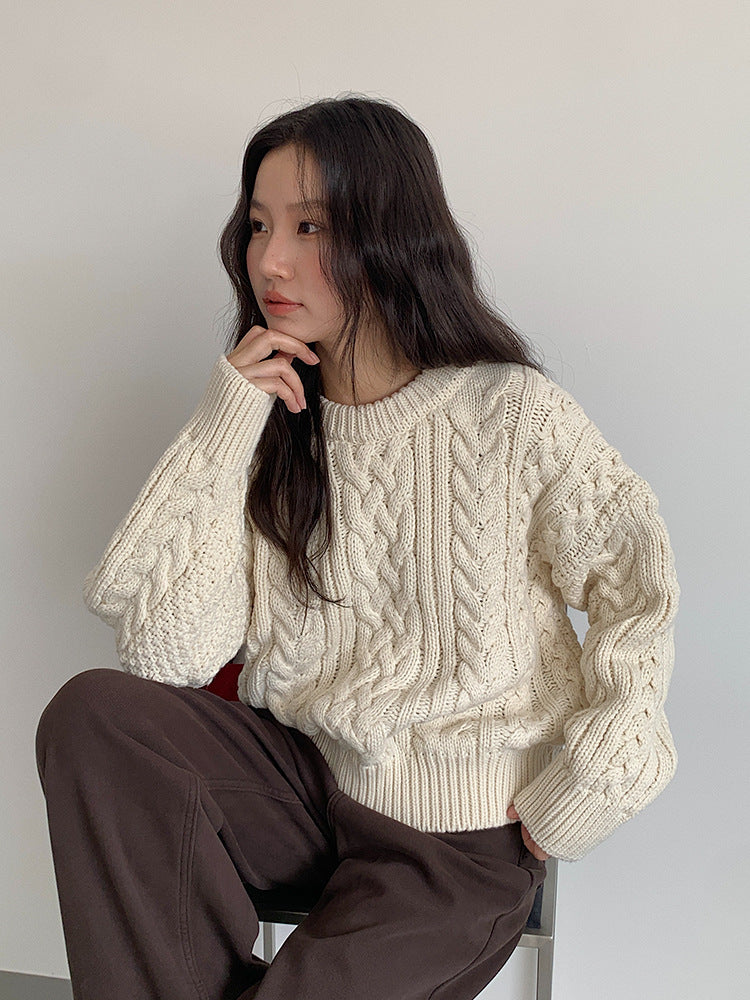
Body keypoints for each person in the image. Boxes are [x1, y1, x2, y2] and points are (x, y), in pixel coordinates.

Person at [35, 94, 680, 1000]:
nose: (271, 259)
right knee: (98, 715)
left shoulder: (509, 414)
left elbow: (636, 586)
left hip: (457, 842)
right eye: (259, 225)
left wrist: (593, 781)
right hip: (307, 790)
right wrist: (224, 423)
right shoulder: (270, 424)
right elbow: (166, 655)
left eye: (310, 227)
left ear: (390, 234)